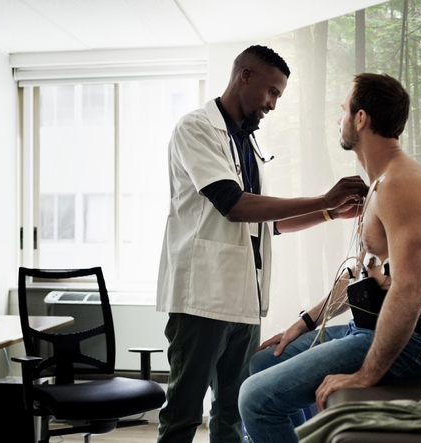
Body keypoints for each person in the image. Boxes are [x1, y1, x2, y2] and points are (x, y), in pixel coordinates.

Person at [155, 45, 369, 443]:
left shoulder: (247, 144)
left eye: (279, 96)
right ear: (245, 76)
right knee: (183, 414)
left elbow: (265, 224)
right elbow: (233, 206)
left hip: (244, 302)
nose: (272, 105)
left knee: (232, 414)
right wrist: (323, 198)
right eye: (271, 92)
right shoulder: (196, 129)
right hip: (201, 297)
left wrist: (329, 214)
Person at [238, 72, 421, 443]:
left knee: (255, 400)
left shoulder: (403, 183)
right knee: (264, 360)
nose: (339, 120)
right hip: (369, 328)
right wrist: (304, 323)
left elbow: (411, 289)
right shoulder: (380, 184)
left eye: (343, 111)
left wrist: (365, 375)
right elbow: (360, 276)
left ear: (360, 119)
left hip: (416, 344)